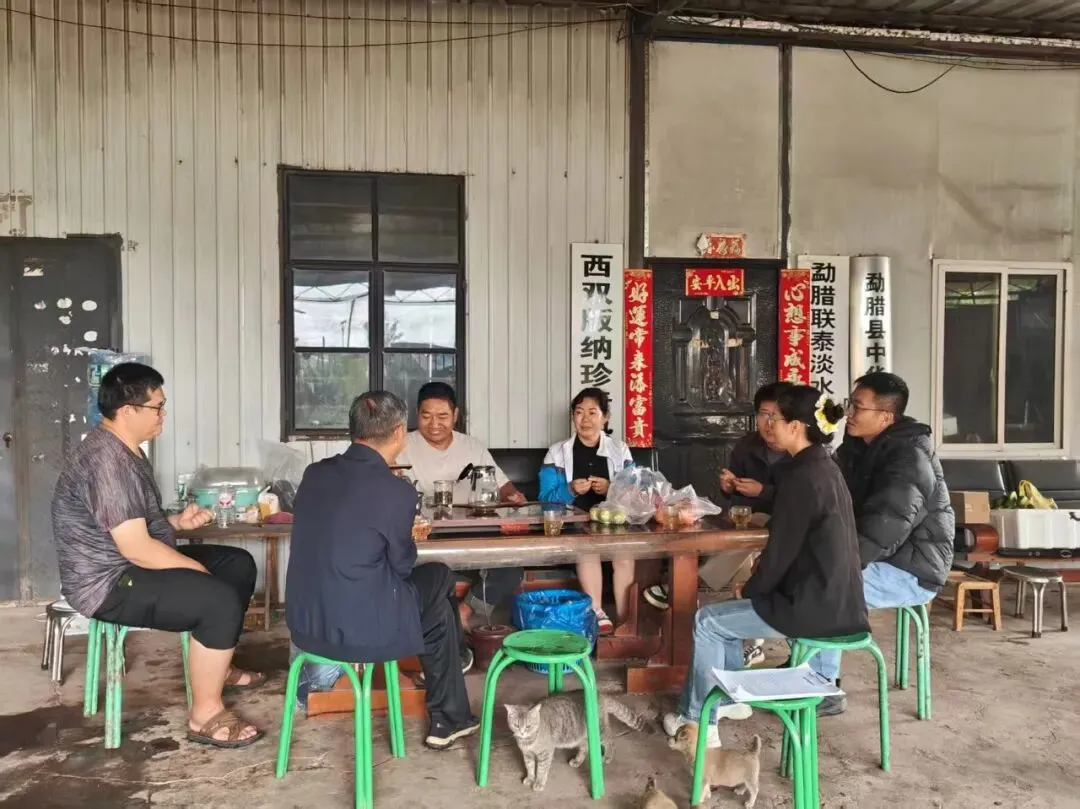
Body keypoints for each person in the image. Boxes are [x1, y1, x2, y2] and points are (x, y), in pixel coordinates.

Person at [51, 363, 264, 748]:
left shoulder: (127, 450)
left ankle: (218, 666)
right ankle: (205, 715)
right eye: (157, 407)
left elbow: (131, 526)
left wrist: (177, 522)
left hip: (130, 563)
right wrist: (194, 569)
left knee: (238, 564)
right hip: (108, 583)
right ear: (127, 410)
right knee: (216, 598)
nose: (163, 415)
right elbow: (135, 547)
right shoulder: (107, 462)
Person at [662, 386, 868, 748]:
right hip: (837, 600)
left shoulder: (802, 476)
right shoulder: (822, 467)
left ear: (796, 426)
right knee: (724, 617)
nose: (769, 425)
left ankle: (697, 722)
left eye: (776, 418)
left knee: (707, 621)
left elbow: (781, 552)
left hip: (814, 607)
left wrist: (752, 587)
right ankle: (726, 701)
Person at [286, 391, 479, 750]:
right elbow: (402, 566)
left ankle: (451, 715)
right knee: (439, 579)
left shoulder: (314, 474)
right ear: (399, 432)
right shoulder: (396, 492)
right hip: (360, 633)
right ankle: (448, 713)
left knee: (437, 610)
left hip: (306, 626)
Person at [809, 372, 954, 716]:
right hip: (884, 558)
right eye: (850, 404)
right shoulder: (859, 447)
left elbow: (883, 529)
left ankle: (821, 685)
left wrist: (837, 564)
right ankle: (807, 660)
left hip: (912, 570)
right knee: (802, 570)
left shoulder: (908, 459)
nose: (849, 413)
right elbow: (828, 494)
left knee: (820, 585)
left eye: (858, 407)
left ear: (886, 417)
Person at [644, 381, 793, 671]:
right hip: (749, 518)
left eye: (776, 416)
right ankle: (751, 643)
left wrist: (763, 491)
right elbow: (736, 497)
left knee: (752, 542)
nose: (769, 424)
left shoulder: (802, 451)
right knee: (746, 549)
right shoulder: (748, 445)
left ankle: (687, 586)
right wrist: (729, 487)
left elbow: (803, 496)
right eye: (763, 415)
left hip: (787, 523)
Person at [396, 382, 525, 632]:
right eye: (426, 416)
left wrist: (513, 496)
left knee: (512, 566)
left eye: (442, 416)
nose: (434, 424)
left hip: (472, 531)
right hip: (423, 535)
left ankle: (465, 611)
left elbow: (504, 486)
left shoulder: (472, 447)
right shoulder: (402, 446)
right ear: (417, 414)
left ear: (455, 415)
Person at [538, 388, 636, 635]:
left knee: (624, 554)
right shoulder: (557, 453)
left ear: (605, 417)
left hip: (614, 524)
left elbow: (634, 494)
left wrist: (611, 489)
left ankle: (626, 616)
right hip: (573, 524)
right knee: (587, 548)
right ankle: (597, 613)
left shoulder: (620, 450)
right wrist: (569, 489)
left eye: (593, 412)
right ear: (573, 417)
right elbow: (545, 499)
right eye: (579, 412)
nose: (585, 419)